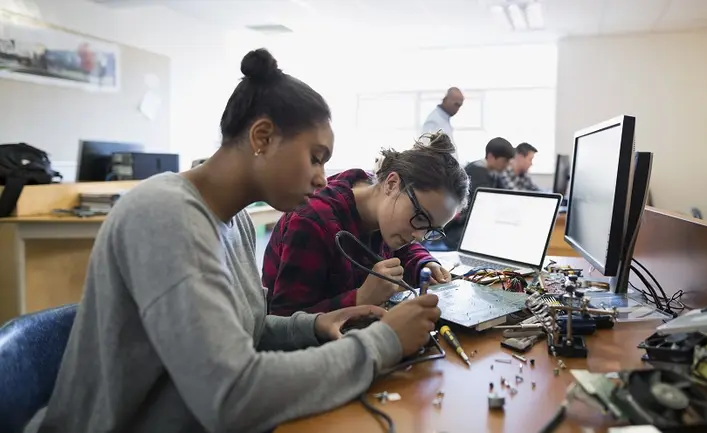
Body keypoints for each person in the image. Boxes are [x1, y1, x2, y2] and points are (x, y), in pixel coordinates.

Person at [24, 49, 441, 433]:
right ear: (262, 137)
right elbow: (231, 395)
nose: (320, 177)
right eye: (315, 157)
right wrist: (383, 342)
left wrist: (311, 326)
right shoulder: (163, 215)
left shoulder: (235, 219)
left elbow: (245, 329)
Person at [263, 132, 469, 316]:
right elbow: (282, 321)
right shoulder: (312, 222)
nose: (420, 236)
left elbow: (406, 248)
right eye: (421, 218)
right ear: (392, 184)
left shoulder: (383, 207)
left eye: (431, 230)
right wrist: (360, 298)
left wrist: (425, 263)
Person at [442, 137, 515, 249]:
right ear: (491, 157)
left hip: (473, 224)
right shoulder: (476, 172)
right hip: (459, 228)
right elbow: (487, 204)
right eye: (504, 161)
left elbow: (505, 196)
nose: (507, 166)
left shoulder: (493, 172)